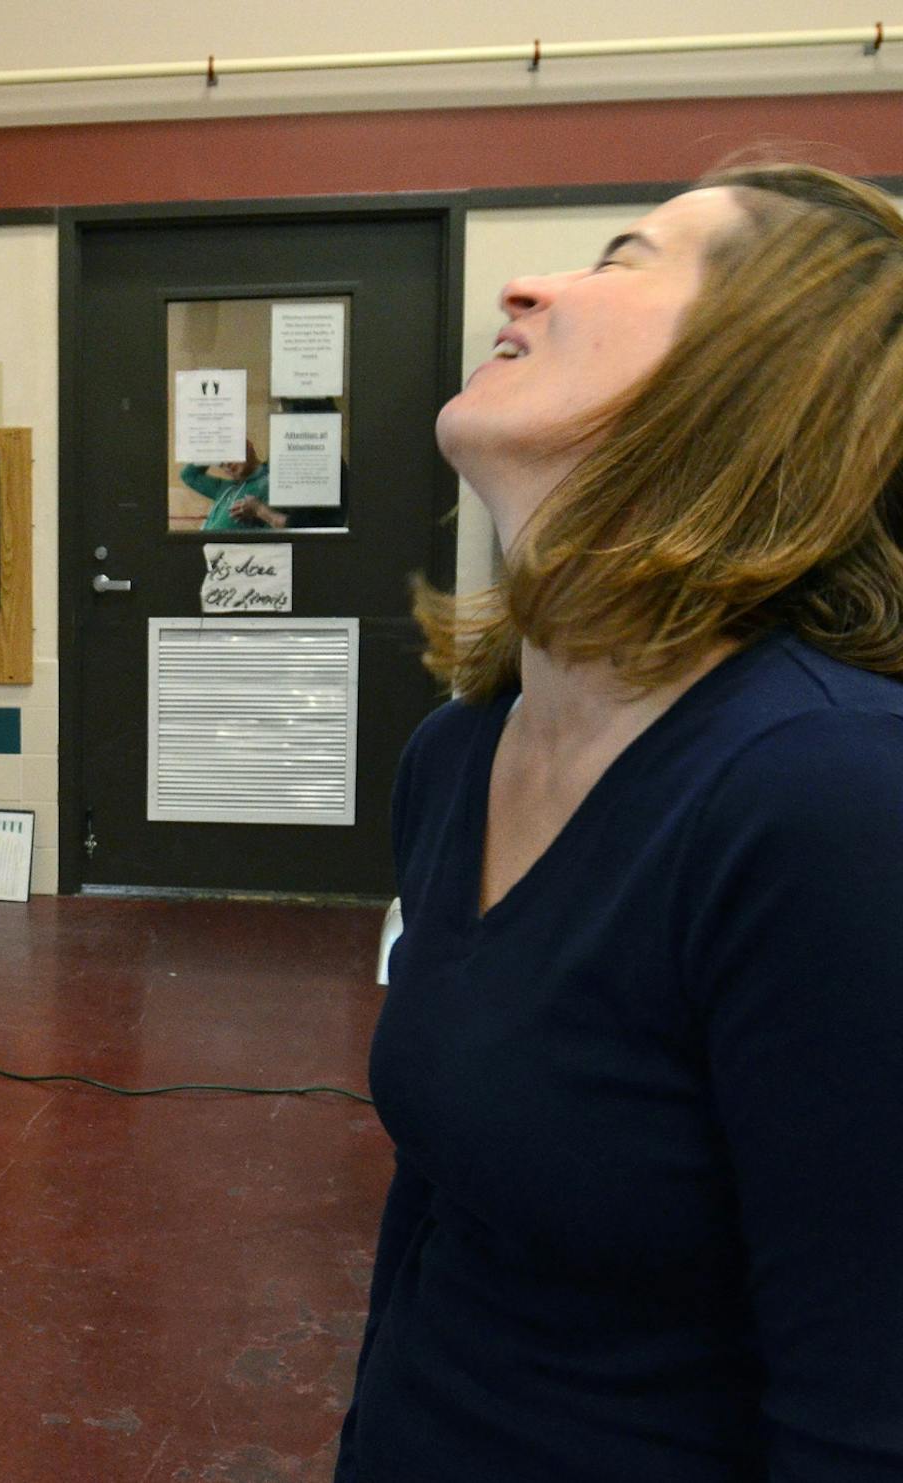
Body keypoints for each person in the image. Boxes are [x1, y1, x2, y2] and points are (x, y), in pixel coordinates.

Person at [336, 162, 903, 1480]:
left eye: (627, 257)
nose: (530, 286)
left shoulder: (831, 799)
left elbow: (864, 1419)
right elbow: (438, 1202)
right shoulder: (458, 752)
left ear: (767, 375)